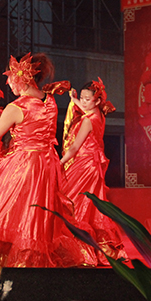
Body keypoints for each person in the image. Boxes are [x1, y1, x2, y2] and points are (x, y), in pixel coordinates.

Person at [0, 53, 96, 291]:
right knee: (37, 221)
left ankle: (8, 282)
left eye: (10, 77)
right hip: (47, 166)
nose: (7, 83)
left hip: (24, 166)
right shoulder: (50, 102)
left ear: (23, 78)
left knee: (7, 216)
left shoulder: (16, 107)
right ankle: (35, 282)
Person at [60, 78, 127, 265]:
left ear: (97, 101)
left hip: (83, 165)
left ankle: (82, 249)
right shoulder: (99, 114)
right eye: (82, 98)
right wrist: (74, 99)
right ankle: (103, 247)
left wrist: (60, 163)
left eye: (87, 99)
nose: (83, 102)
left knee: (73, 202)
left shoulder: (88, 120)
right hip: (93, 165)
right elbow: (82, 105)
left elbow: (74, 148)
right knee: (92, 207)